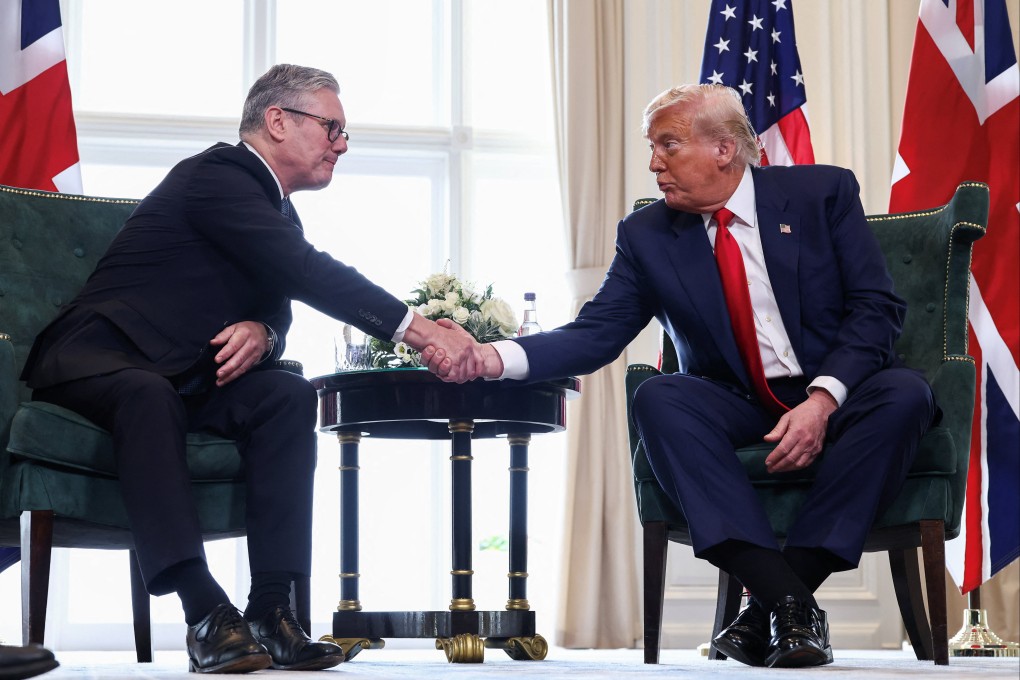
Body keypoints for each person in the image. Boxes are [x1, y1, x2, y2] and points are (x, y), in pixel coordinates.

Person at [425, 84, 937, 668]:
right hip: (736, 400)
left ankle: (770, 607)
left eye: (668, 145)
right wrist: (489, 357)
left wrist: (821, 401)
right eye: (652, 148)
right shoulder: (647, 235)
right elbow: (596, 333)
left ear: (724, 148)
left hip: (837, 392)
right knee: (659, 395)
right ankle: (790, 603)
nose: (654, 163)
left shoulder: (822, 193)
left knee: (906, 394)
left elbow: (876, 309)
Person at [20, 64, 475, 674]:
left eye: (344, 133)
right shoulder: (219, 175)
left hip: (182, 376)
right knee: (146, 394)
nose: (342, 144)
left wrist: (266, 334)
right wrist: (422, 332)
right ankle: (205, 612)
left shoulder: (278, 210)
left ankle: (273, 610)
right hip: (100, 358)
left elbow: (279, 305)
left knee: (289, 395)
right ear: (277, 121)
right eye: (332, 127)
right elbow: (307, 271)